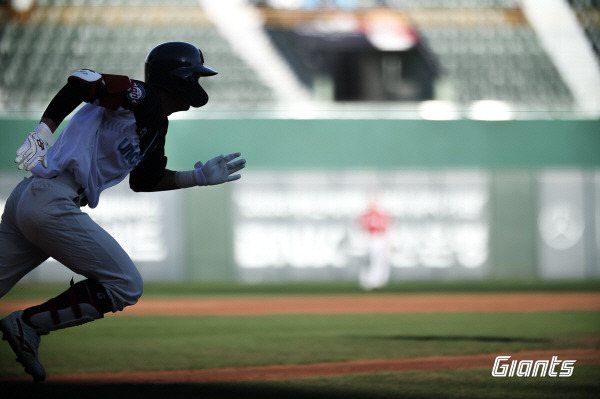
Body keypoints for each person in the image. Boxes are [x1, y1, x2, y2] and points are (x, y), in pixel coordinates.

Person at [0, 41, 246, 382]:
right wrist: (44, 129)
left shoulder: (157, 124)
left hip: (34, 197)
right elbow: (84, 81)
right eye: (194, 76)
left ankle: (26, 325)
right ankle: (27, 324)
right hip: (51, 199)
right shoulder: (143, 97)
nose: (198, 85)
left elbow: (145, 181)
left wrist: (198, 177)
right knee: (125, 285)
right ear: (177, 79)